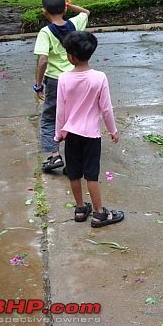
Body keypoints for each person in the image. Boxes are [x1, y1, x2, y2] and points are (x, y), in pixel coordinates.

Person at [54, 30, 124, 227]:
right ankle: (99, 213)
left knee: (74, 173)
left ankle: (79, 208)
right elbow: (106, 108)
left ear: (71, 56)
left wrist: (58, 134)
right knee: (91, 174)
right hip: (91, 135)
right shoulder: (99, 78)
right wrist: (112, 130)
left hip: (71, 134)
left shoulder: (64, 78)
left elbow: (61, 110)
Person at [33, 0, 90, 172]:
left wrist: (38, 84)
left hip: (56, 81)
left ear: (44, 11)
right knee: (73, 118)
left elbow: (43, 60)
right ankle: (74, 160)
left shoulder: (45, 32)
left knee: (50, 117)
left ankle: (55, 156)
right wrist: (70, 5)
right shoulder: (75, 23)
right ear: (64, 8)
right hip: (76, 79)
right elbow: (86, 12)